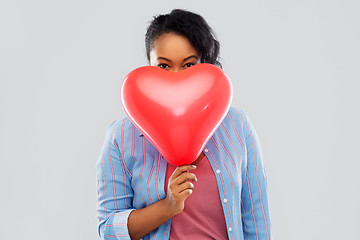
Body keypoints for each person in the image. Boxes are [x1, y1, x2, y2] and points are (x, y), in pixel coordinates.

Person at [96, 9, 271, 240]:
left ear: (206, 65)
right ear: (149, 66)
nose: (176, 78)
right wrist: (167, 206)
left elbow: (257, 221)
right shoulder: (121, 136)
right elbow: (108, 229)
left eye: (189, 65)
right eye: (164, 66)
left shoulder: (237, 125)